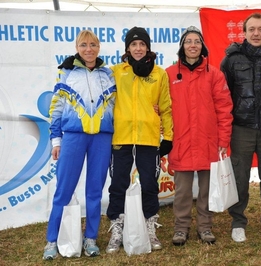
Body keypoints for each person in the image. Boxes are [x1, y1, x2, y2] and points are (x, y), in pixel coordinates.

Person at [43, 30, 116, 260]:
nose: (88, 49)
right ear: (77, 47)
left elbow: (118, 106)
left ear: (99, 47)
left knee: (95, 190)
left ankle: (91, 238)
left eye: (93, 44)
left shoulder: (108, 73)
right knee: (63, 189)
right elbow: (55, 107)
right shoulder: (66, 72)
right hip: (73, 136)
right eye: (83, 45)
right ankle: (52, 240)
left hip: (102, 138)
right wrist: (56, 140)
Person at [220, 13, 261, 242]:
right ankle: (238, 222)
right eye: (252, 29)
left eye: (260, 29)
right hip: (242, 129)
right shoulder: (231, 60)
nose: (256, 33)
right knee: (240, 176)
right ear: (244, 32)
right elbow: (224, 93)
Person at [105, 26, 173, 253]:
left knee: (150, 183)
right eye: (133, 44)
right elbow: (91, 71)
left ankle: (149, 226)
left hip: (148, 138)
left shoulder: (159, 73)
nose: (138, 48)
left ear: (148, 47)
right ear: (127, 48)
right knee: (118, 184)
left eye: (142, 44)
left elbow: (166, 107)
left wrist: (168, 137)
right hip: (121, 136)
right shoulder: (116, 71)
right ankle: (117, 226)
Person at [165, 26, 233, 246]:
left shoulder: (214, 74)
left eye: (196, 41)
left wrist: (223, 140)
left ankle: (205, 227)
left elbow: (224, 108)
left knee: (206, 190)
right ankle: (181, 228)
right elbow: (161, 107)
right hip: (181, 142)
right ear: (182, 46)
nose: (192, 45)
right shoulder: (169, 74)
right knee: (183, 191)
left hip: (208, 142)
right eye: (188, 41)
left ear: (202, 46)